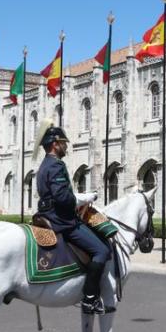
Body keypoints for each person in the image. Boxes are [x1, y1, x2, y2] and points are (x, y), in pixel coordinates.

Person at [36, 123, 111, 315]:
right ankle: (90, 299)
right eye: (63, 143)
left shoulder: (44, 165)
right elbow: (62, 198)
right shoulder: (56, 165)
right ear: (54, 144)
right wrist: (83, 198)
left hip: (46, 214)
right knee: (101, 250)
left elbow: (56, 194)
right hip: (62, 220)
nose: (66, 147)